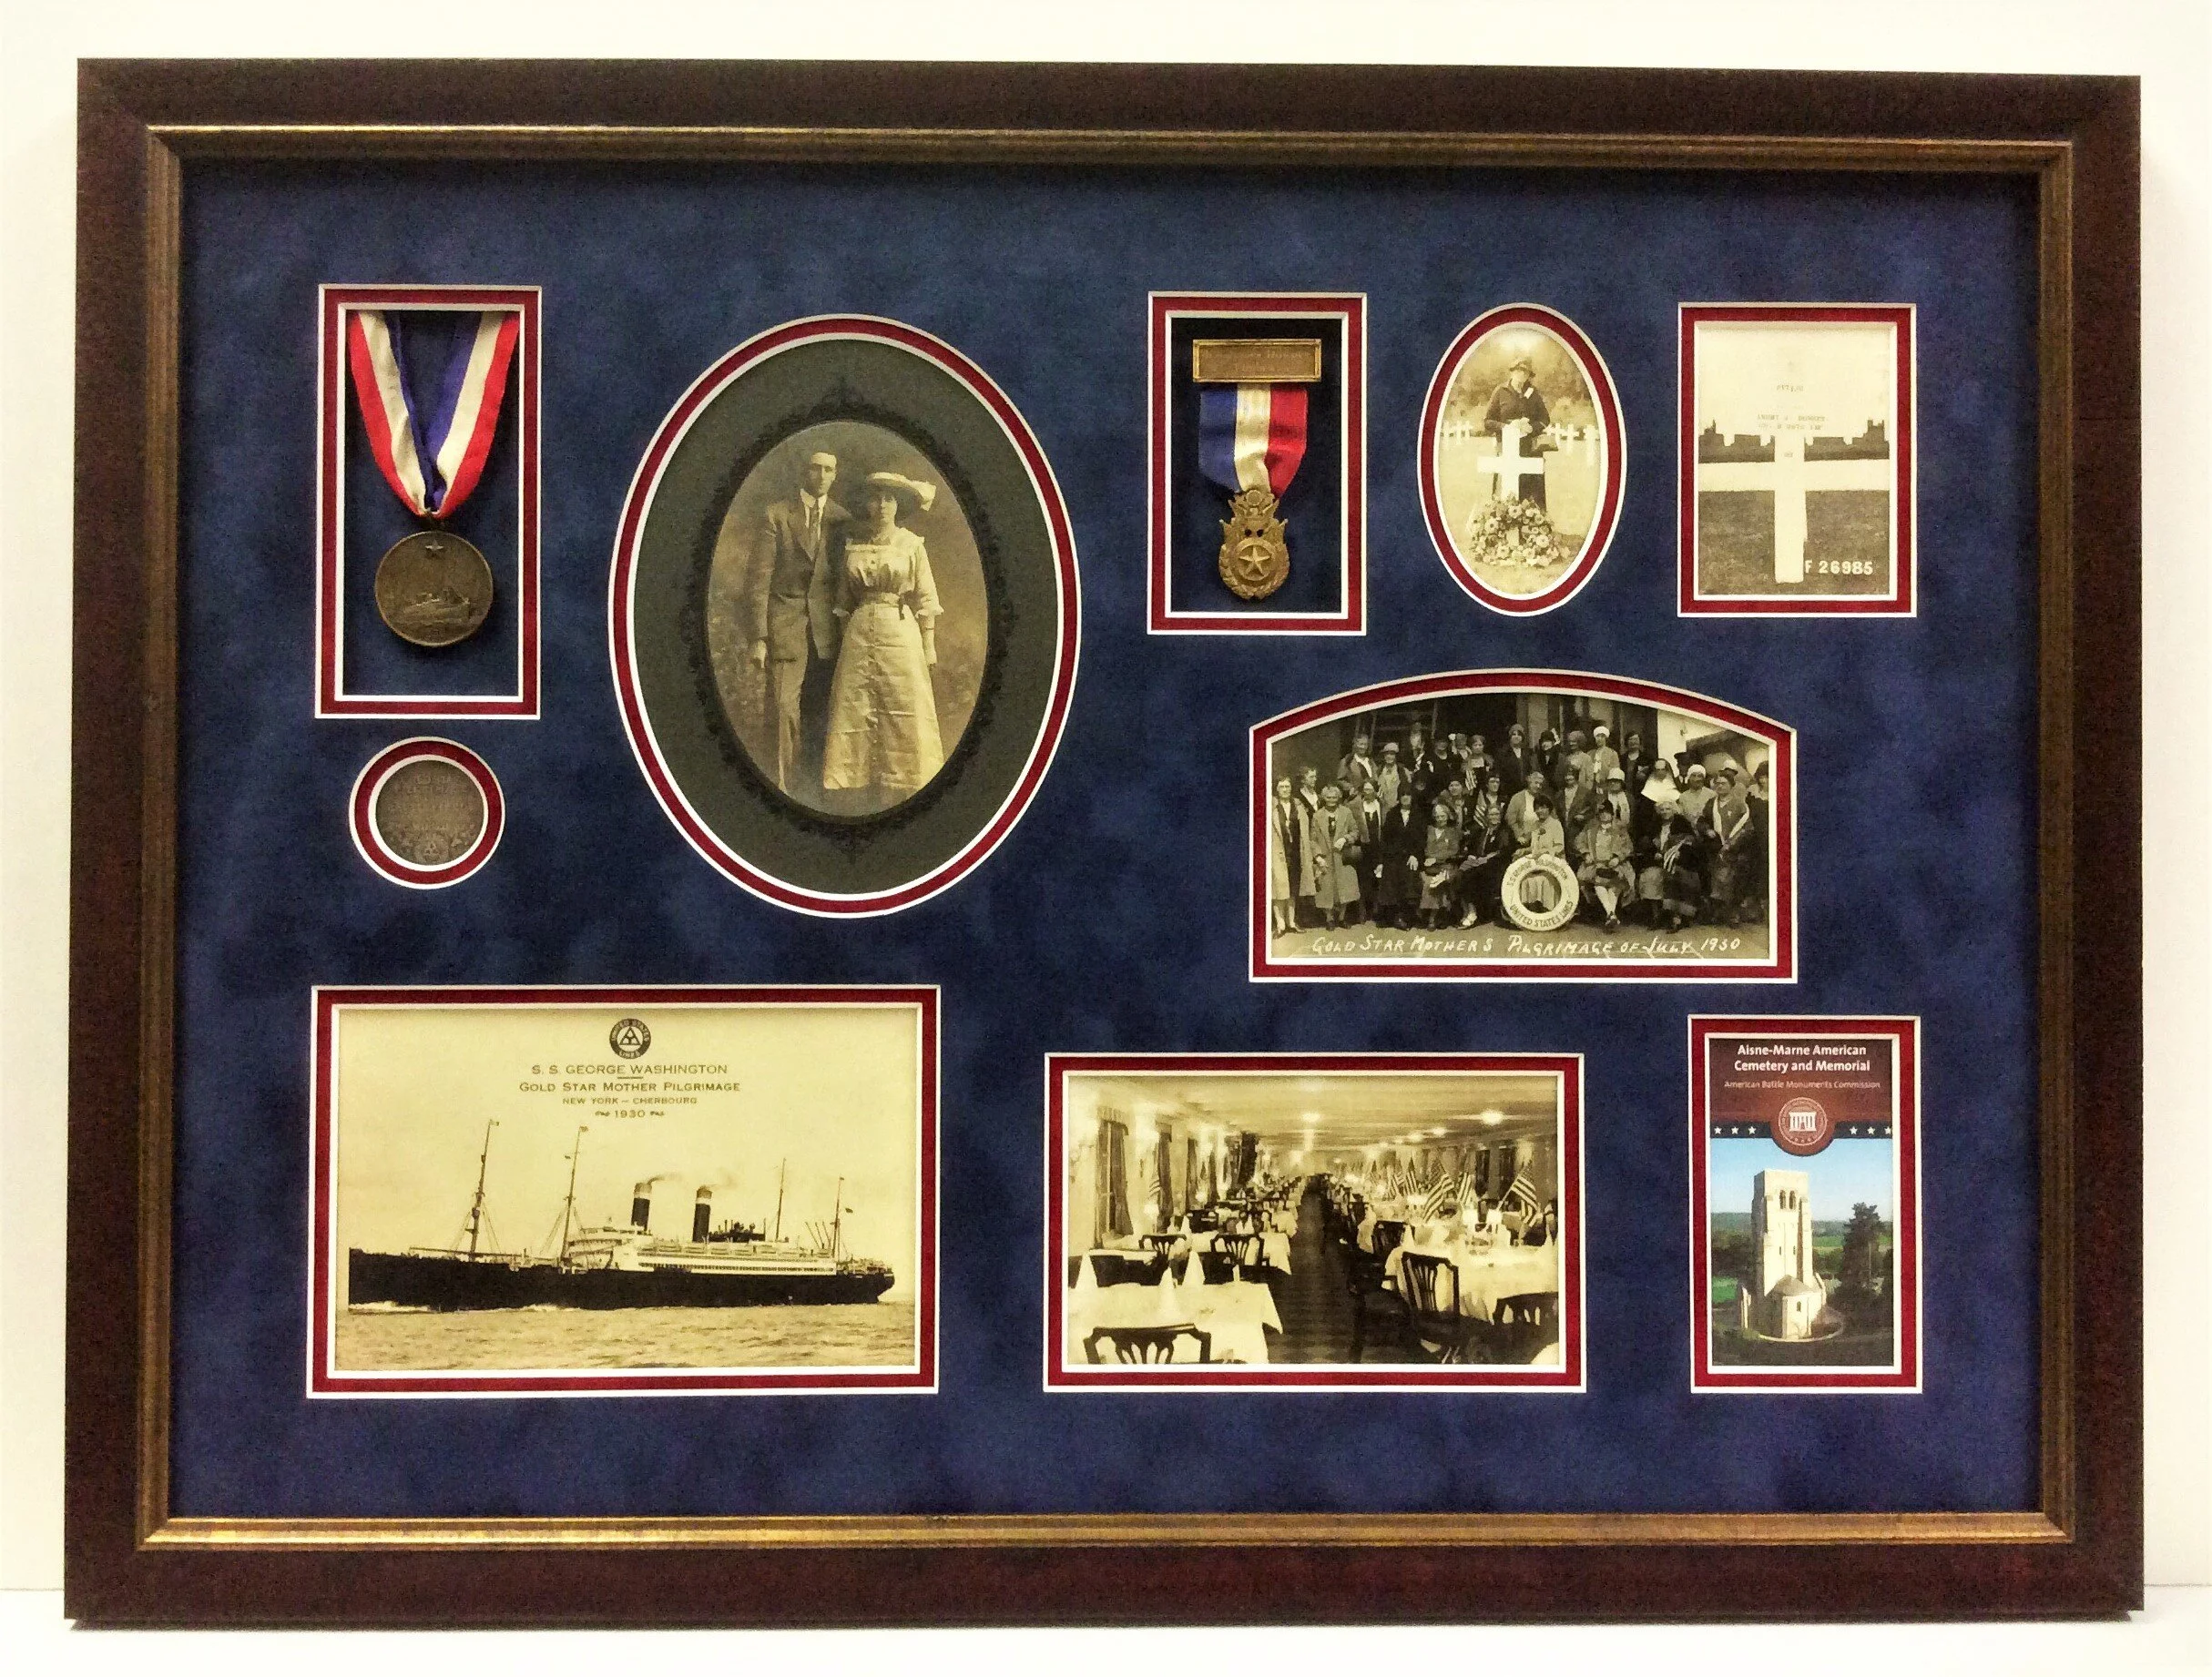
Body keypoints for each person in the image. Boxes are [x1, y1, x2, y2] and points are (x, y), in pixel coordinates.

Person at [821, 471, 945, 811]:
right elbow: (843, 603)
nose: (881, 506)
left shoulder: (911, 544)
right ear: (866, 504)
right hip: (860, 631)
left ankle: (905, 790)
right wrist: (845, 638)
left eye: (889, 499)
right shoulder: (853, 546)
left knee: (902, 706)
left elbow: (926, 598)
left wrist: (929, 644)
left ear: (898, 506)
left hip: (900, 631)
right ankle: (857, 793)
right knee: (855, 708)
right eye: (875, 499)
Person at [746, 449, 849, 793]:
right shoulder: (776, 515)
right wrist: (759, 638)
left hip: (827, 633)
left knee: (820, 713)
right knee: (783, 710)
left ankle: (815, 792)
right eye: (815, 468)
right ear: (804, 472)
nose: (821, 475)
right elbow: (759, 582)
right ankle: (781, 791)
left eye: (828, 469)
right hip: (785, 628)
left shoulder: (841, 519)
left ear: (835, 475)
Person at [1482, 355, 1553, 513]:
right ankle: (1502, 524)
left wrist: (1532, 428)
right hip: (1506, 448)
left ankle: (1534, 528)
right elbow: (1487, 421)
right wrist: (1507, 427)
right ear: (1512, 372)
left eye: (1526, 373)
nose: (1522, 375)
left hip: (1530, 449)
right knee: (1506, 488)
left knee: (1531, 490)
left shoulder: (1533, 393)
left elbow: (1545, 419)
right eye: (1519, 371)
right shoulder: (1500, 391)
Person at [1575, 800, 1636, 932]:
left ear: (1612, 814)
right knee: (1598, 883)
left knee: (1615, 883)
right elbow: (1579, 841)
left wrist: (1617, 857)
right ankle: (1611, 914)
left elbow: (1628, 847)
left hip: (1614, 864)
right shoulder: (1591, 827)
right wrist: (1585, 854)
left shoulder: (1619, 827)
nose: (1604, 815)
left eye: (1607, 812)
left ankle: (1610, 914)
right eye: (1601, 813)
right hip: (1596, 864)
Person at [1704, 765, 1752, 925]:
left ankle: (1733, 914)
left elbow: (1747, 829)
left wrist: (1731, 844)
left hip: (1733, 851)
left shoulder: (1740, 805)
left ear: (1731, 785)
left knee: (1732, 882)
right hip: (1715, 849)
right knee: (1716, 882)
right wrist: (1707, 830)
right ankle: (1718, 913)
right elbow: (1701, 821)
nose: (1720, 786)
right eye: (1717, 783)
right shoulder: (1711, 803)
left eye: (1723, 783)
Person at [1458, 770, 1508, 926]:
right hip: (1480, 862)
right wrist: (1472, 857)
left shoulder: (1504, 831)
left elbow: (1503, 851)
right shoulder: (1482, 831)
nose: (1493, 817)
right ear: (1486, 816)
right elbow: (1474, 849)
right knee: (1462, 871)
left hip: (1495, 864)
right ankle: (1468, 910)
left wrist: (1484, 859)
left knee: (1471, 875)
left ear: (1500, 816)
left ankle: (1473, 913)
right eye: (1491, 815)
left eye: (1496, 815)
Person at [1267, 774, 1313, 937]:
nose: (1285, 790)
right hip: (1277, 852)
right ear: (1276, 789)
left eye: (1287, 786)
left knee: (1293, 887)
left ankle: (1291, 922)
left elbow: (1305, 830)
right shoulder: (1271, 807)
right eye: (1282, 787)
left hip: (1295, 852)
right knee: (1278, 888)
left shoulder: (1297, 805)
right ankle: (1280, 924)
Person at [1315, 781, 1361, 929]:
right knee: (1326, 889)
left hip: (1343, 857)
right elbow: (1312, 839)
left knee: (1345, 888)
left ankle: (1341, 917)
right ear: (1324, 798)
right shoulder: (1317, 816)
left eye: (1334, 797)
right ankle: (1329, 918)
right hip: (1325, 857)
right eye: (1328, 797)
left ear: (1339, 797)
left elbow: (1355, 831)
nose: (1332, 800)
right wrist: (1318, 856)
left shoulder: (1346, 812)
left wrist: (1345, 839)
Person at [1376, 787, 1422, 929]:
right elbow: (1385, 839)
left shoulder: (1418, 815)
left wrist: (1415, 855)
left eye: (1408, 794)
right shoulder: (1392, 814)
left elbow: (1422, 839)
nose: (1405, 797)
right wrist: (1382, 860)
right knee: (1390, 875)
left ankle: (1406, 915)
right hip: (1393, 855)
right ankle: (1394, 915)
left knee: (1409, 875)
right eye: (1402, 794)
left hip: (1411, 856)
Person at [1417, 789, 1463, 928]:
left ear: (1447, 816)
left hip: (1446, 865)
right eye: (1437, 816)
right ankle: (1430, 914)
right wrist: (1429, 858)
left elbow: (1453, 851)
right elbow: (1425, 849)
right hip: (1429, 866)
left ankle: (1432, 917)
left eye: (1442, 816)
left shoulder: (1453, 832)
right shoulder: (1429, 830)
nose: (1440, 819)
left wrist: (1436, 859)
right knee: (1428, 880)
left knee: (1437, 881)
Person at [1495, 723, 1532, 798]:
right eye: (1514, 734)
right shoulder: (1503, 753)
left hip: (1525, 791)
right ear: (1510, 737)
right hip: (1509, 792)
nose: (1516, 737)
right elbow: (1499, 772)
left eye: (1519, 735)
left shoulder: (1527, 753)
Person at [1337, 733, 1379, 798]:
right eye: (1361, 744)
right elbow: (1340, 780)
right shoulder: (1347, 761)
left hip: (1371, 798)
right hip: (1356, 798)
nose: (1363, 747)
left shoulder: (1370, 761)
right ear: (1355, 745)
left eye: (1365, 744)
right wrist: (1350, 788)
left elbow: (1376, 778)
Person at [1586, 725, 1621, 791]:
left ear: (1606, 738)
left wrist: (1602, 766)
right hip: (1592, 788)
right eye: (1597, 736)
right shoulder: (1590, 754)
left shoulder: (1612, 753)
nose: (1599, 739)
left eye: (1602, 736)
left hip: (1607, 787)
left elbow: (1616, 774)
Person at [1373, 739, 1404, 812]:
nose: (1389, 756)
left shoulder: (1402, 771)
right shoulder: (1378, 771)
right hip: (1381, 808)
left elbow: (1407, 790)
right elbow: (1374, 787)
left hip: (1397, 809)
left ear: (1396, 756)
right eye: (1387, 754)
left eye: (1392, 754)